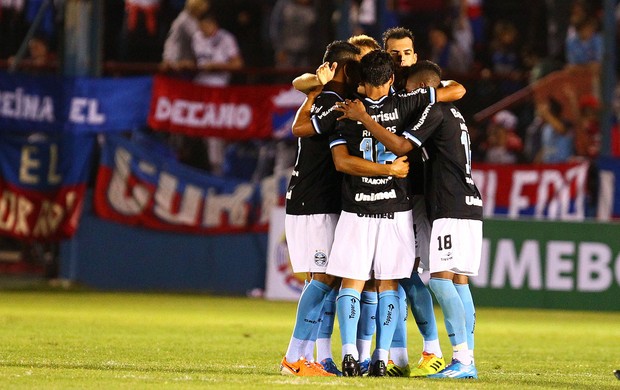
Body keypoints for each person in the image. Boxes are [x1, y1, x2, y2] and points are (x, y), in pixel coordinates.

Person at [336, 60, 483, 379]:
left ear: (422, 90)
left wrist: (364, 118)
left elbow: (401, 145)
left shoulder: (435, 111)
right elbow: (456, 88)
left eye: (410, 90)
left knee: (442, 281)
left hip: (450, 204)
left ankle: (463, 360)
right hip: (467, 202)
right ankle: (466, 357)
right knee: (458, 281)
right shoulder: (454, 110)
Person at [280, 40, 409, 377]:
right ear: (341, 68)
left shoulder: (328, 98)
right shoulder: (333, 101)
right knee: (321, 279)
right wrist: (315, 89)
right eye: (354, 65)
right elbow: (299, 129)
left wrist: (310, 91)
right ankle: (297, 357)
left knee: (327, 280)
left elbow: (302, 110)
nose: (359, 71)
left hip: (320, 200)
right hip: (314, 201)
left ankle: (312, 357)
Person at [382, 26, 450, 378]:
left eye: (407, 52)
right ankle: (394, 355)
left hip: (417, 196)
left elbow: (454, 88)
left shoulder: (421, 88)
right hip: (382, 196)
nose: (402, 59)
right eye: (395, 54)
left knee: (413, 274)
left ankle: (434, 350)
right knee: (388, 276)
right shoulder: (380, 90)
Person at [160, 0, 210, 72]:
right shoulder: (184, 19)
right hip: (177, 59)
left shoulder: (193, 18)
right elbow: (198, 37)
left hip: (187, 58)